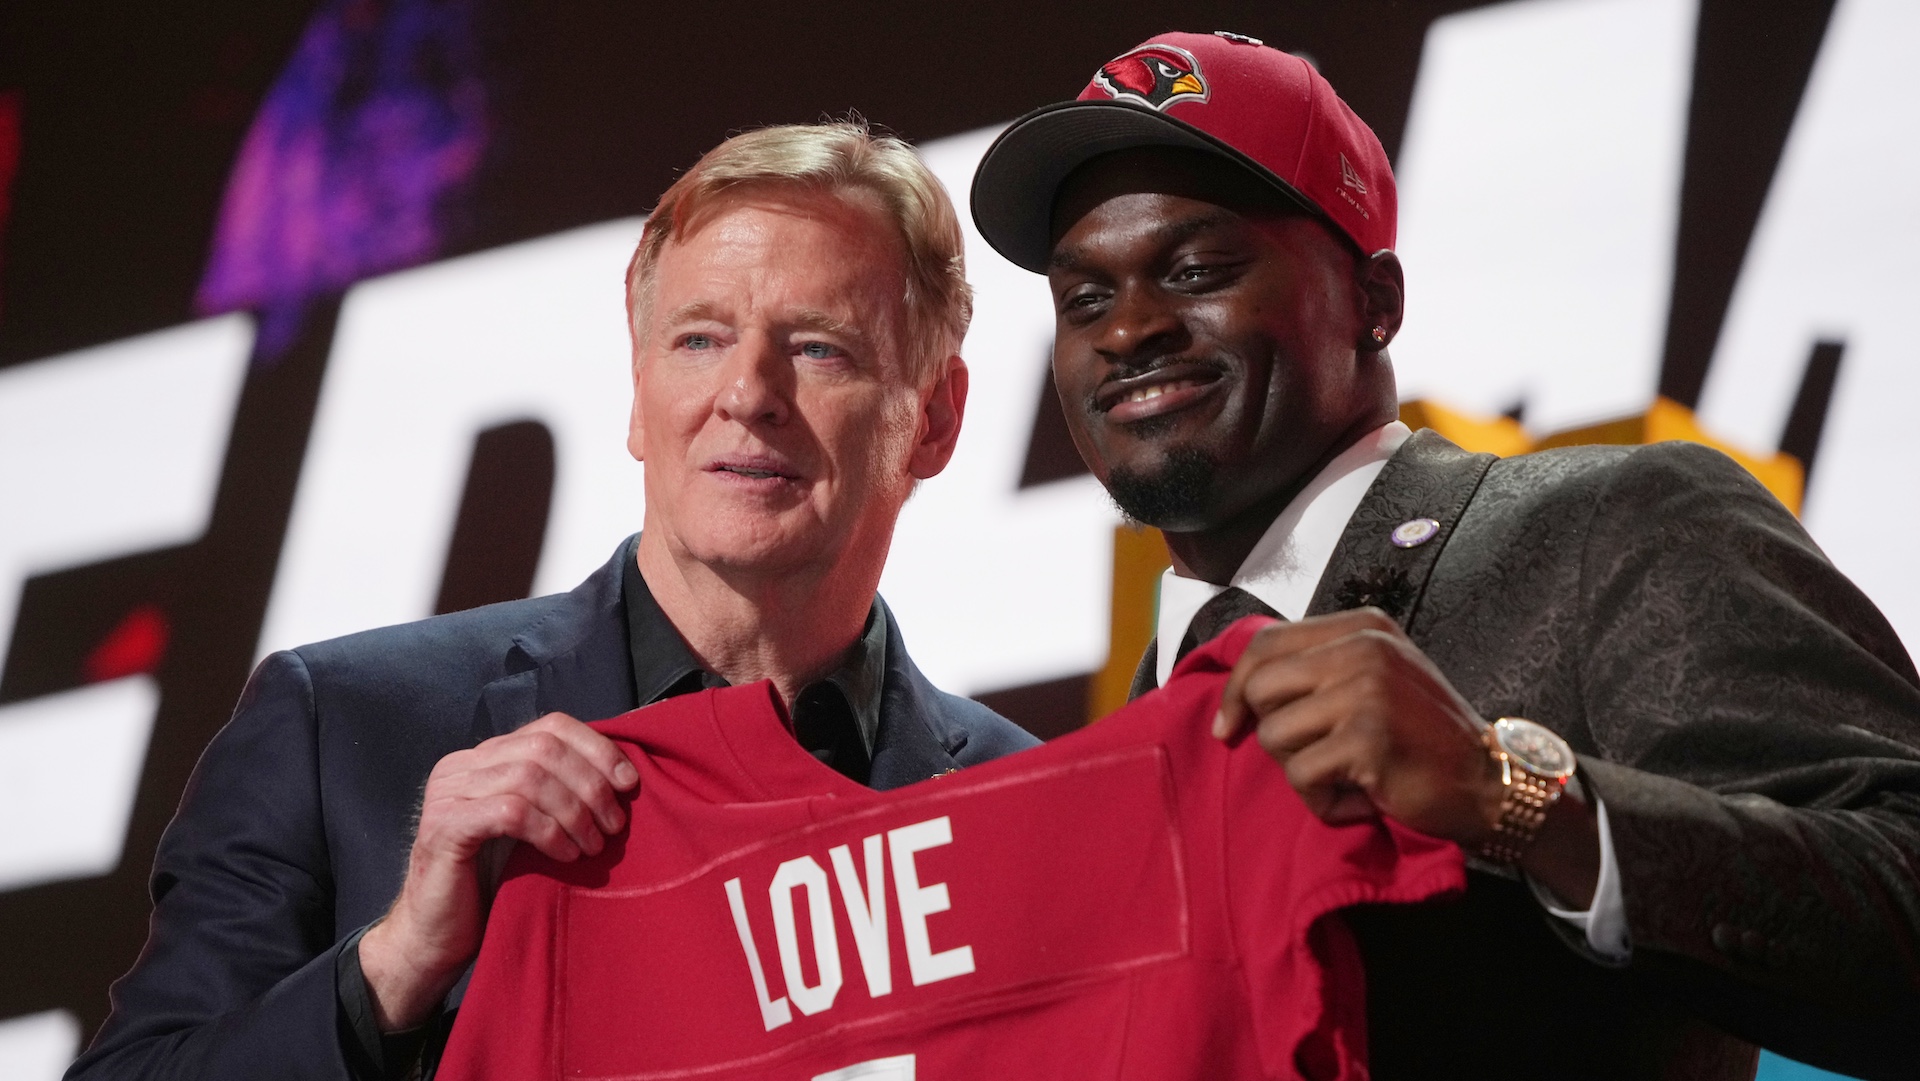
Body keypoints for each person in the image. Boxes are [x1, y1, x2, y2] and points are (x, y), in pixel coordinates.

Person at [969, 31, 1920, 1081]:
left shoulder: (1615, 526)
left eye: (1196, 271)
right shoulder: (1125, 739)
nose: (1129, 330)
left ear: (1375, 302)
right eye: (1084, 300)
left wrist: (1511, 796)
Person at [69, 121, 1037, 1081]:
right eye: (699, 339)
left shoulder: (1023, 818)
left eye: (819, 349)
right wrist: (395, 965)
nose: (747, 393)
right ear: (639, 393)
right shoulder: (341, 727)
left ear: (934, 417)